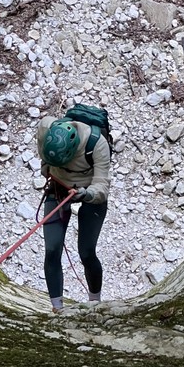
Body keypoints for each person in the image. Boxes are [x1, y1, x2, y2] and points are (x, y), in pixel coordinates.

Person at [37, 116, 111, 313]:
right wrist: (48, 171)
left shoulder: (97, 144)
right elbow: (43, 157)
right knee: (52, 250)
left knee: (86, 252)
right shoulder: (45, 128)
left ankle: (95, 301)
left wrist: (86, 194)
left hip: (89, 192)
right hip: (57, 187)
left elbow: (102, 186)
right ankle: (57, 309)